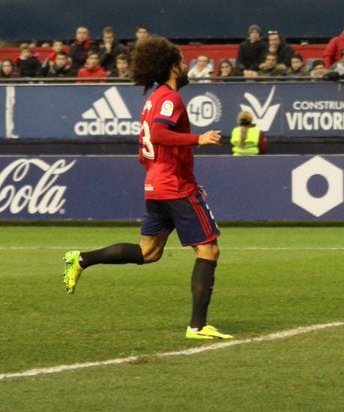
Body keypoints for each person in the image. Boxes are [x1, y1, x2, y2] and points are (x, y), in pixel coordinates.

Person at [62, 35, 229, 341]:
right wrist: (198, 140)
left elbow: (145, 148)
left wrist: (162, 173)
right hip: (175, 187)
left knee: (149, 252)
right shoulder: (170, 99)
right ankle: (198, 326)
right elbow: (159, 134)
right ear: (171, 67)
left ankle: (82, 258)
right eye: (181, 61)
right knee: (209, 249)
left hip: (156, 185)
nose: (186, 65)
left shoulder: (152, 100)